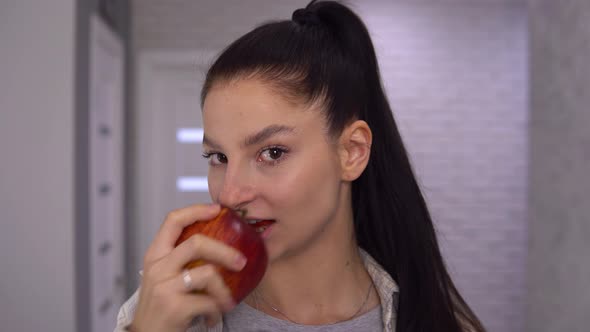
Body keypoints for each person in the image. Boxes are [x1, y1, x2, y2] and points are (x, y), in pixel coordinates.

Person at [116, 1, 486, 331]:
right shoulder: (163, 316)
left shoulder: (443, 323)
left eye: (272, 153)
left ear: (352, 152)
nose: (229, 194)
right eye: (218, 158)